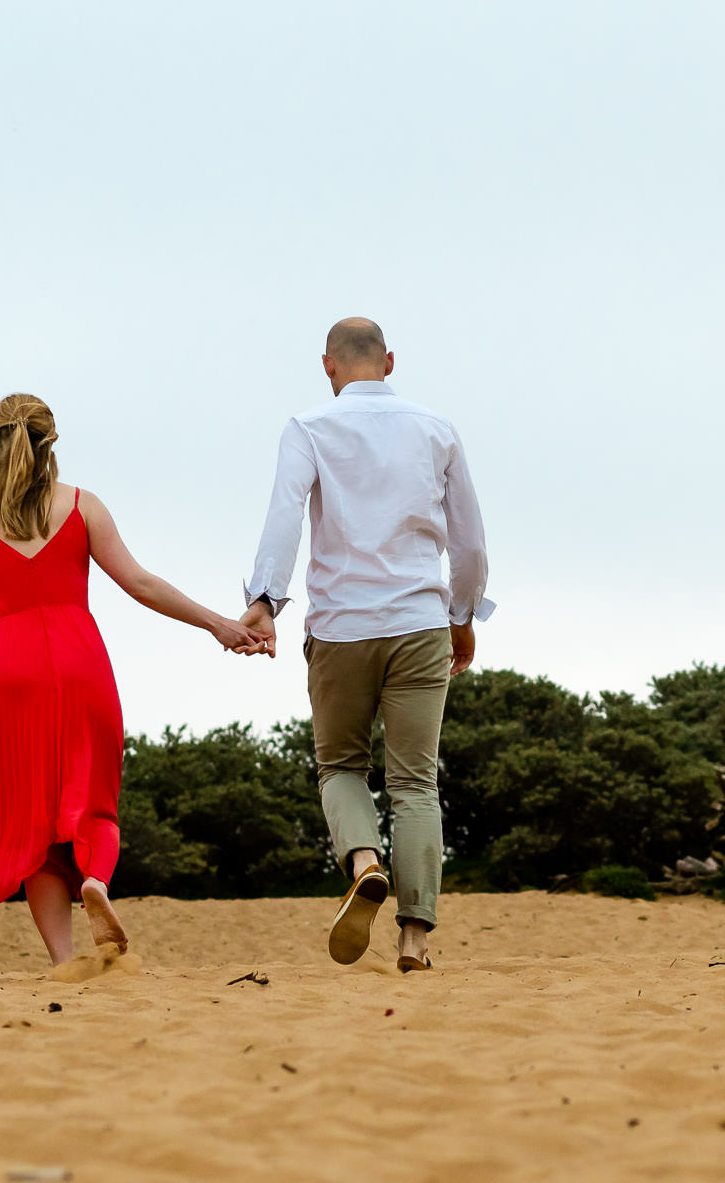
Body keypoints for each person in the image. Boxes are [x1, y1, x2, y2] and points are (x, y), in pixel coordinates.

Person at [0, 393, 270, 978]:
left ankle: (64, 960)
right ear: (49, 444)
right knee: (92, 801)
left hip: (6, 674)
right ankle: (94, 879)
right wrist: (217, 623)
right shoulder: (83, 507)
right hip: (80, 663)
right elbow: (138, 581)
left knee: (32, 821)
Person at [241, 318, 492, 972]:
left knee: (342, 767)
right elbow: (468, 541)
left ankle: (363, 862)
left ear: (328, 366)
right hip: (418, 622)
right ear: (390, 361)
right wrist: (463, 613)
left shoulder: (309, 428)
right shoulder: (437, 429)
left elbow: (285, 513)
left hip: (340, 629)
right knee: (415, 782)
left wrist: (266, 601)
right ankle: (415, 938)